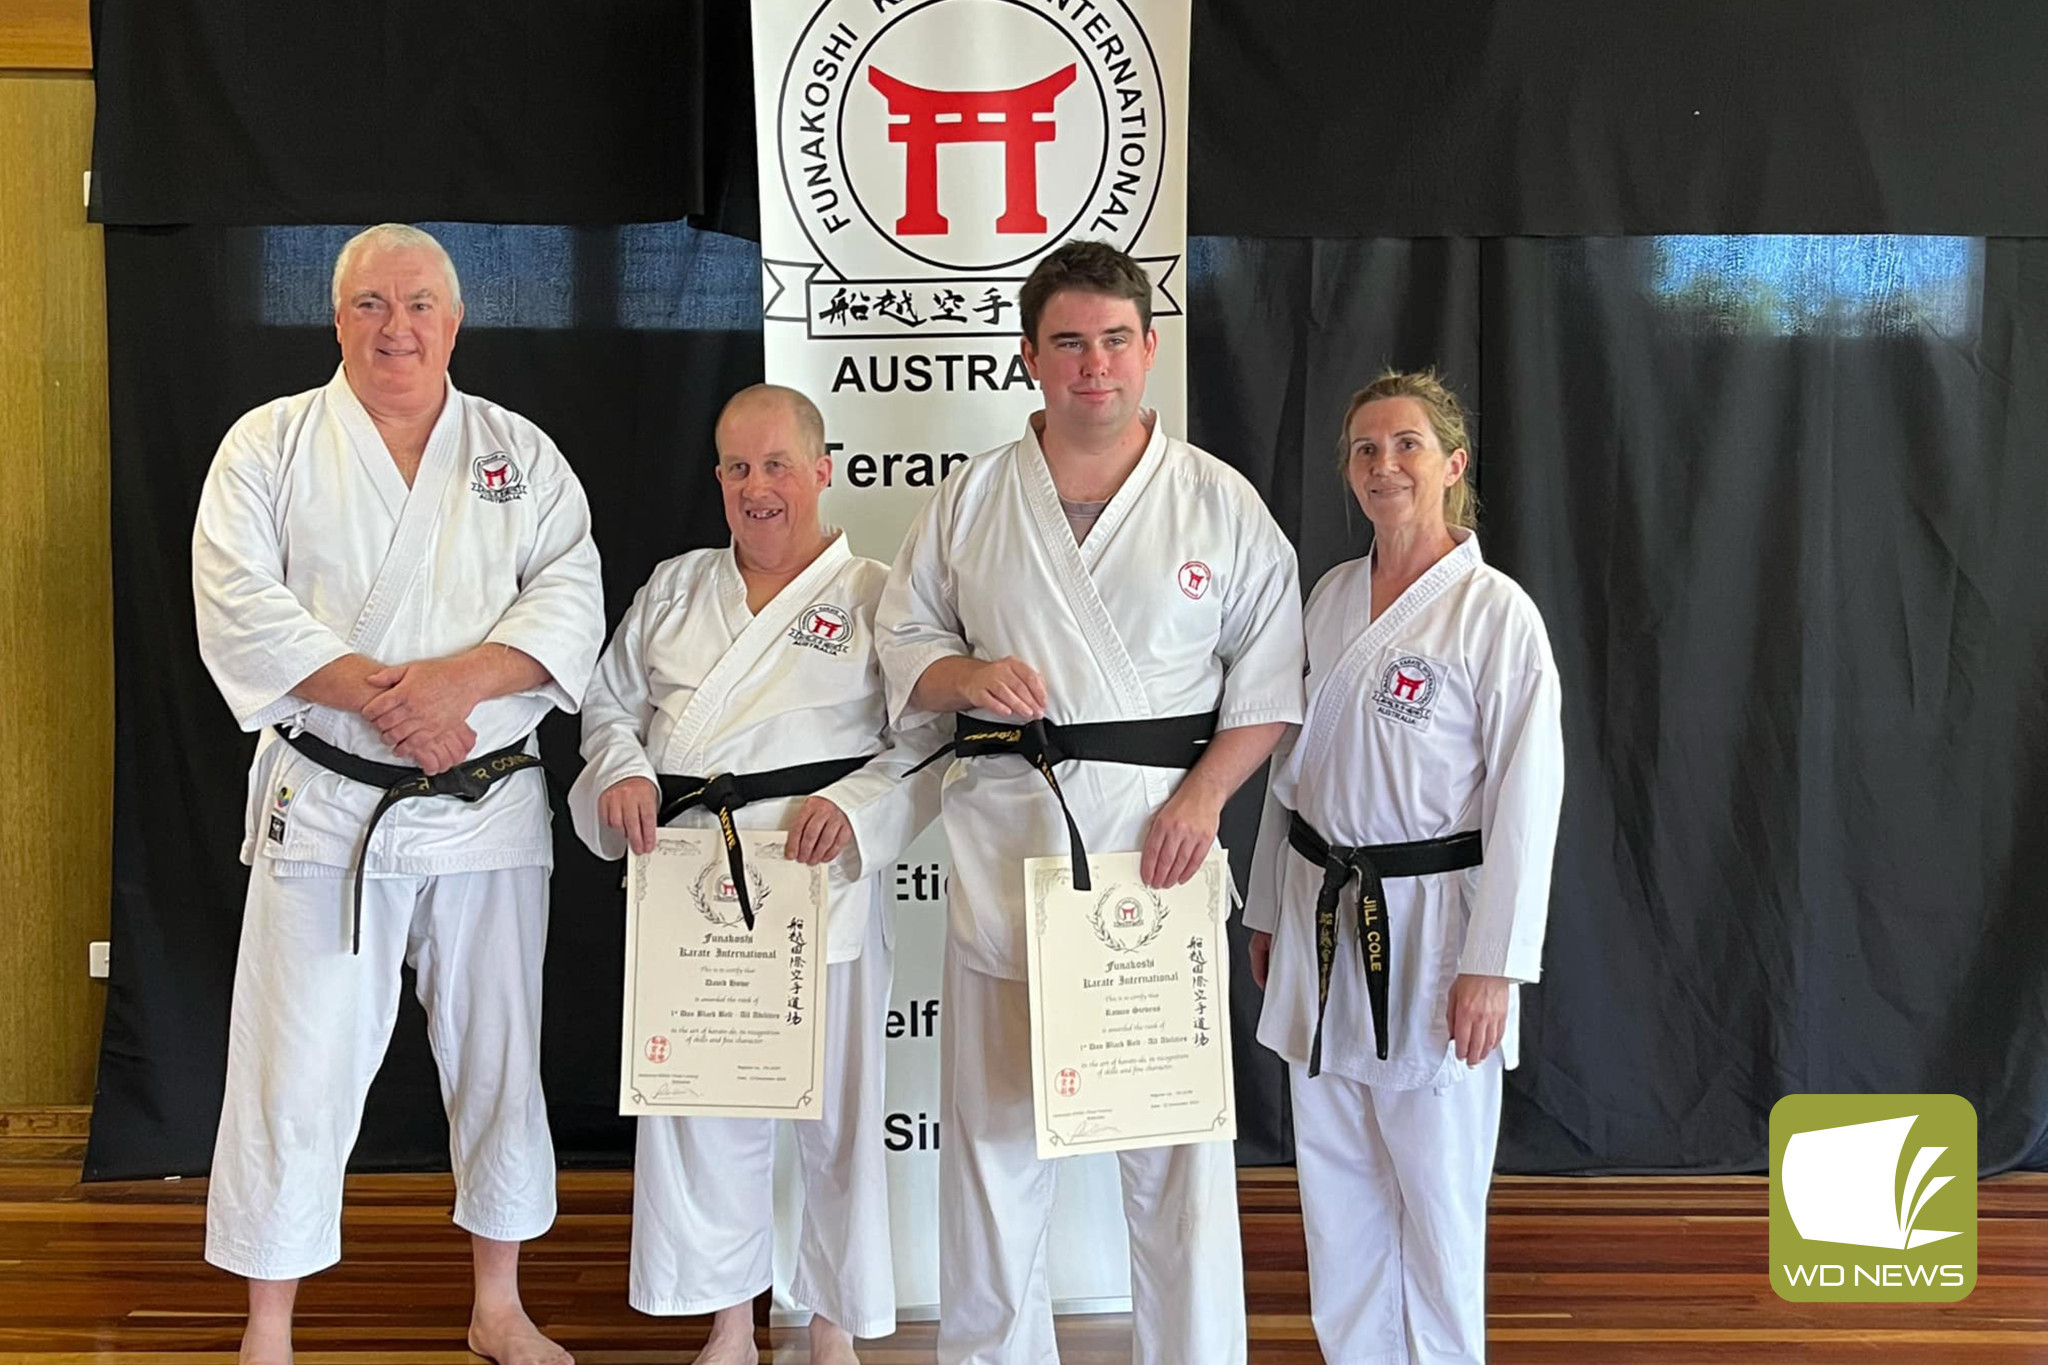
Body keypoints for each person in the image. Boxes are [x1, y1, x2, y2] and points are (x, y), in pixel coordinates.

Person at [875, 239, 1306, 1365]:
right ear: (1029, 357)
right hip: (1003, 853)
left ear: (1149, 351)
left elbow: (1267, 683)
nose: (1093, 365)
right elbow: (905, 640)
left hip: (1152, 863)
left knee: (1174, 1157)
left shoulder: (1217, 503)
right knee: (989, 1150)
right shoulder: (972, 497)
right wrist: (965, 678)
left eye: (1115, 340)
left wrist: (1204, 799)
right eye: (1067, 342)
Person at [191, 223, 604, 1365]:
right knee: (294, 1062)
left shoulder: (517, 451)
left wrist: (456, 686)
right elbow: (238, 605)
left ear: (454, 320)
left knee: (496, 1061)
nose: (396, 327)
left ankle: (498, 1307)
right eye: (370, 304)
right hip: (327, 800)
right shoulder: (267, 446)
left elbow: (570, 598)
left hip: (484, 803)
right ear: (336, 320)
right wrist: (390, 700)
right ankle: (266, 1327)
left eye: (418, 303)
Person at [571, 384, 944, 1365]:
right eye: (737, 467)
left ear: (824, 472)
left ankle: (830, 1330)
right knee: (701, 1109)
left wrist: (854, 807)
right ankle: (729, 1324)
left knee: (835, 1118)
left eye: (777, 465)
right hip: (689, 877)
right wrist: (622, 771)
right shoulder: (675, 586)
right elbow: (608, 705)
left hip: (814, 883)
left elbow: (922, 743)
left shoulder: (874, 595)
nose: (756, 488)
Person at [1244, 370, 1563, 1365]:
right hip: (1318, 909)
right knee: (1334, 1181)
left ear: (1451, 465)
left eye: (1406, 446)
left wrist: (1494, 963)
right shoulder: (1331, 595)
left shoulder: (1493, 614)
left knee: (1432, 1187)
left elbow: (1525, 800)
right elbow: (1288, 766)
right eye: (1365, 449)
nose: (1383, 465)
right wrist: (1263, 909)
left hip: (1431, 926)